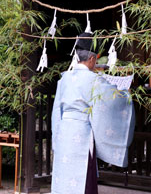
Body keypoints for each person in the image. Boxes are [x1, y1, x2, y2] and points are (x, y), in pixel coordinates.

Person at [51, 32, 135, 194]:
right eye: (95, 60)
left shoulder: (64, 79)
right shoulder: (94, 80)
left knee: (64, 174)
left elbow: (56, 111)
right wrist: (126, 93)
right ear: (91, 59)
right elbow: (112, 99)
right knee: (82, 177)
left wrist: (56, 138)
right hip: (81, 134)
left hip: (64, 132)